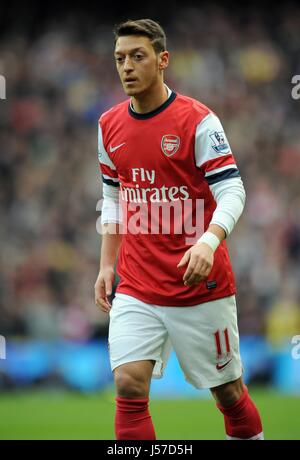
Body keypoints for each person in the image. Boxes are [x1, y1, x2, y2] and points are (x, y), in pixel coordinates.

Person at [95, 18, 264, 440]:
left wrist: (209, 241)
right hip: (137, 283)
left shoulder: (198, 121)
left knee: (229, 393)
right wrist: (105, 266)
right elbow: (114, 200)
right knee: (128, 383)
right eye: (120, 59)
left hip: (198, 284)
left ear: (163, 60)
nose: (127, 67)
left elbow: (233, 190)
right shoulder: (108, 125)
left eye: (138, 56)